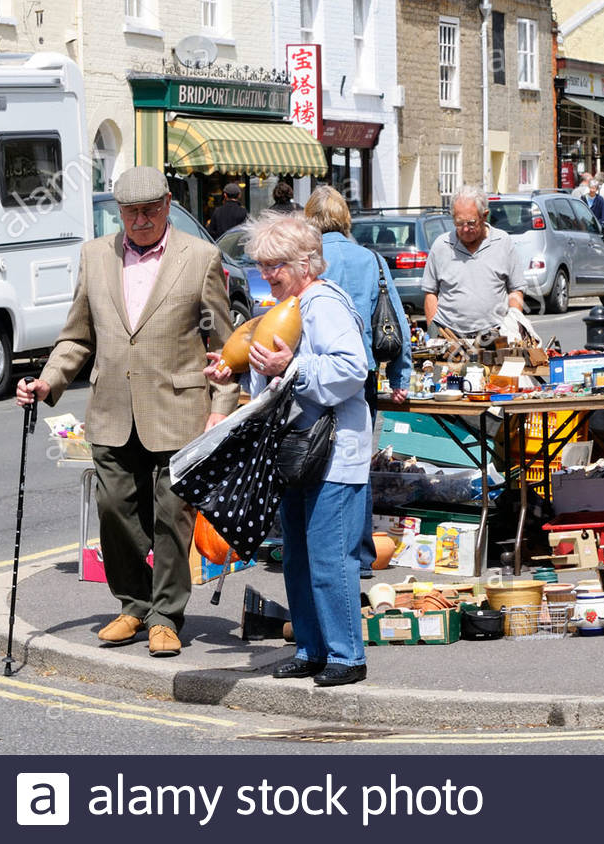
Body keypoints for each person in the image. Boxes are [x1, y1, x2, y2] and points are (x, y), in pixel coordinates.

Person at [16, 167, 238, 657]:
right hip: (112, 409)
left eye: (149, 210)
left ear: (166, 205)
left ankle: (165, 616)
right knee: (114, 509)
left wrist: (220, 411)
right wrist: (47, 381)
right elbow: (77, 336)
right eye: (130, 212)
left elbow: (224, 347)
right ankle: (133, 604)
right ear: (118, 212)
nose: (139, 220)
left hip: (180, 410)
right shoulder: (95, 256)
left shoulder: (200, 257)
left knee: (171, 516)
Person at [204, 213, 371, 687]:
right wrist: (236, 369)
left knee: (328, 559)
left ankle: (346, 656)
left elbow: (351, 370)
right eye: (261, 265)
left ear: (305, 264)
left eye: (274, 265)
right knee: (296, 557)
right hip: (298, 450)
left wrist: (293, 365)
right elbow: (272, 375)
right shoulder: (288, 304)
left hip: (333, 452)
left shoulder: (324, 304)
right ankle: (311, 649)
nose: (266, 274)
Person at [304, 186, 410, 578]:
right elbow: (394, 321)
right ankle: (360, 553)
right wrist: (400, 376)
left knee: (310, 457)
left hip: (313, 371)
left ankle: (317, 546)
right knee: (355, 461)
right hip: (360, 372)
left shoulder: (308, 263)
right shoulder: (372, 260)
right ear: (346, 218)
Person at [421, 185, 526, 341]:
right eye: (458, 223)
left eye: (471, 223)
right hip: (449, 336)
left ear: (484, 216)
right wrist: (434, 335)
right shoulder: (441, 245)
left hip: (494, 336)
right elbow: (430, 293)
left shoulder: (503, 243)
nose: (465, 229)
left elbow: (516, 290)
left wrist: (512, 327)